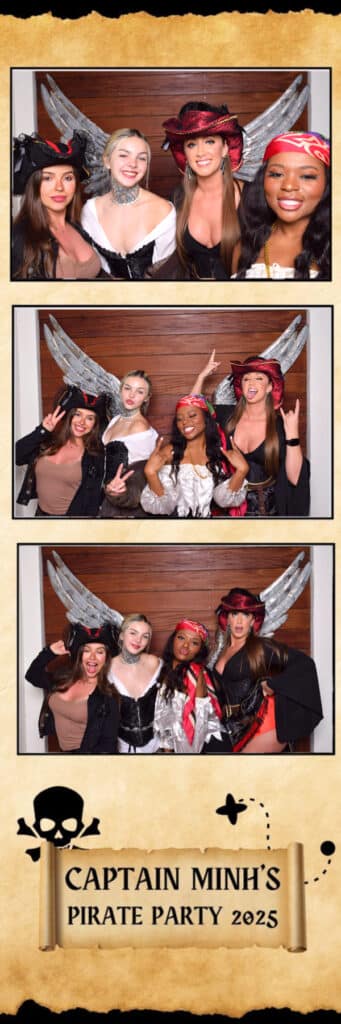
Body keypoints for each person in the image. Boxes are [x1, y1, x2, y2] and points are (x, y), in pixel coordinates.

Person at [192, 353, 310, 516]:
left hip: (266, 513)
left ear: (270, 387)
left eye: (259, 378)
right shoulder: (226, 416)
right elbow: (192, 412)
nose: (251, 383)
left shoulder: (279, 426)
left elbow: (294, 478)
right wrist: (201, 377)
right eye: (246, 379)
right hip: (226, 511)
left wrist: (293, 435)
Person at [210, 589, 323, 753]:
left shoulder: (261, 647)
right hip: (231, 727)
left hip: (260, 723)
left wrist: (273, 684)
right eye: (234, 614)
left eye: (246, 614)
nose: (239, 621)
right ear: (227, 618)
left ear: (252, 620)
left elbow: (304, 664)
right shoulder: (223, 651)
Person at [151, 102, 243, 280]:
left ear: (225, 148)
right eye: (192, 144)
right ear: (185, 153)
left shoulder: (251, 195)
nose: (200, 152)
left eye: (209, 141)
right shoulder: (178, 198)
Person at [232, 131, 330, 279]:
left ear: (327, 183)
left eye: (307, 176)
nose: (289, 186)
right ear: (263, 180)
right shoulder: (246, 246)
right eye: (277, 174)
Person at [80, 128, 176, 279]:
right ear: (107, 161)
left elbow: (167, 276)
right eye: (123, 155)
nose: (133, 164)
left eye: (142, 158)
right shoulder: (91, 211)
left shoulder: (164, 211)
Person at [15, 386, 123, 517]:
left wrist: (111, 491)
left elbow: (99, 493)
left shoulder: (97, 455)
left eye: (89, 418)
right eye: (78, 414)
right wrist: (42, 431)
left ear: (95, 424)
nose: (82, 422)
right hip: (40, 517)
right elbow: (17, 456)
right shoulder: (46, 443)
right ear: (70, 417)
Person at [12, 132, 106, 280]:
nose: (59, 187)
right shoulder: (19, 237)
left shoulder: (78, 227)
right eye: (48, 178)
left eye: (67, 178)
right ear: (34, 185)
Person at [140, 394, 249, 518]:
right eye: (179, 419)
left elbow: (223, 501)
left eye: (192, 416)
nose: (185, 422)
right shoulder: (169, 453)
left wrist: (242, 471)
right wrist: (150, 473)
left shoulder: (219, 453)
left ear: (206, 418)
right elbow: (165, 507)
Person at [25, 623, 120, 754]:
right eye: (86, 650)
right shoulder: (63, 678)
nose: (92, 657)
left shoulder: (107, 697)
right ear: (79, 655)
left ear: (106, 658)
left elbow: (108, 747)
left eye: (99, 652)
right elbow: (32, 675)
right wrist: (49, 652)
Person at [154, 619, 223, 753]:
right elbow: (165, 718)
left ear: (200, 650)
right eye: (181, 638)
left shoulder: (194, 674)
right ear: (173, 640)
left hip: (203, 748)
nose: (185, 645)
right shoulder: (165, 670)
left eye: (194, 643)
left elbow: (198, 727)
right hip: (176, 746)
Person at [99, 370, 159, 518]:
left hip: (124, 506)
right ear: (120, 391)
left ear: (146, 398)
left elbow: (143, 478)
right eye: (127, 388)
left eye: (139, 392)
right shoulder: (116, 420)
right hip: (103, 498)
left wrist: (120, 492)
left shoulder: (142, 429)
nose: (131, 395)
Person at [108, 615, 162, 753]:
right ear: (121, 635)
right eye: (133, 633)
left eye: (145, 636)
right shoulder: (107, 668)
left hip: (156, 745)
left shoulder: (154, 663)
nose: (138, 640)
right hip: (122, 747)